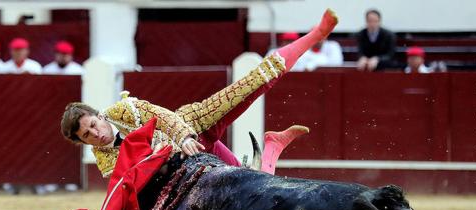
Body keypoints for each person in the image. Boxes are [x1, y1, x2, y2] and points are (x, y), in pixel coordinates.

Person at [61, 9, 339, 177]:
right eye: (87, 135)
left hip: (193, 124)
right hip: (187, 164)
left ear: (99, 116)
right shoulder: (105, 161)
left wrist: (182, 137)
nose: (96, 134)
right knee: (250, 187)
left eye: (93, 125)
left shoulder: (121, 110)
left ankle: (315, 34)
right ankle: (272, 148)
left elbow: (161, 115)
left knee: (253, 82)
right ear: (81, 142)